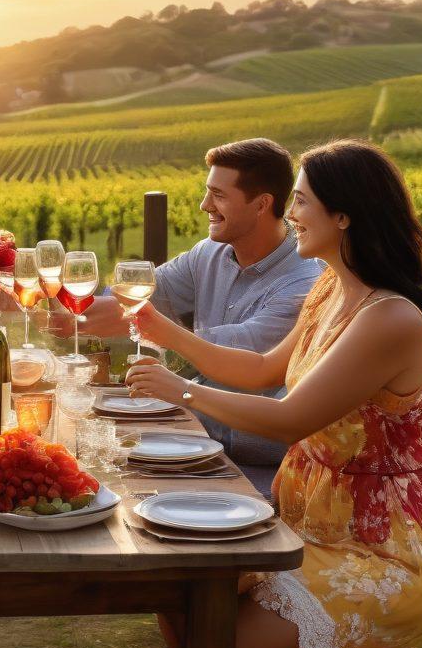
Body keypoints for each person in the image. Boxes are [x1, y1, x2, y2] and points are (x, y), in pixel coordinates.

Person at [126, 140, 422, 648]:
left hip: (382, 549)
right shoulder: (330, 289)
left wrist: (182, 392)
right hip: (314, 524)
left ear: (343, 215)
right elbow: (261, 368)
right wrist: (163, 331)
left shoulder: (390, 318)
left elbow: (288, 419)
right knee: (178, 590)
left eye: (300, 202)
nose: (290, 215)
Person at [71, 138, 322, 492]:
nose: (205, 205)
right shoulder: (209, 253)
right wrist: (63, 304)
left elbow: (248, 361)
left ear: (262, 204)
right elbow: (139, 298)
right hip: (193, 440)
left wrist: (158, 330)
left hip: (256, 470)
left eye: (218, 195)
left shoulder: (304, 283)